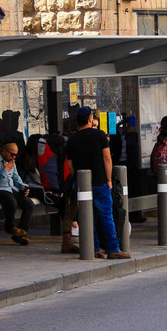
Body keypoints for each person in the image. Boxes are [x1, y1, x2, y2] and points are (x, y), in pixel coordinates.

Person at [66, 107, 130, 259]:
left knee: (88, 217)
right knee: (106, 215)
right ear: (90, 119)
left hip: (82, 185)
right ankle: (113, 248)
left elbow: (70, 166)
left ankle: (93, 248)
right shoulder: (99, 135)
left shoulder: (72, 139)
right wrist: (109, 179)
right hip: (99, 181)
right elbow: (107, 158)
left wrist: (78, 178)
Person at [0, 141, 34, 245]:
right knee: (11, 201)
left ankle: (22, 232)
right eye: (12, 154)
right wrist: (5, 170)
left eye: (15, 155)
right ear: (4, 151)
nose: (14, 158)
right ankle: (9, 226)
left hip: (10, 188)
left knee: (29, 204)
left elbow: (16, 177)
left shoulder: (11, 161)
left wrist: (23, 186)